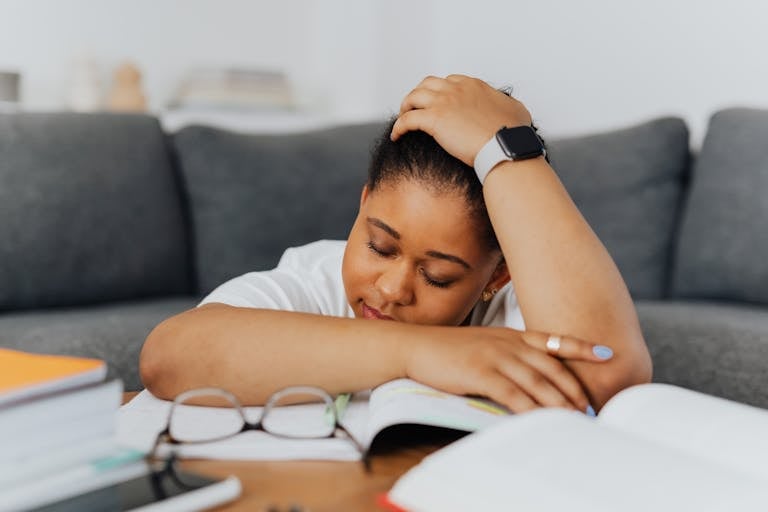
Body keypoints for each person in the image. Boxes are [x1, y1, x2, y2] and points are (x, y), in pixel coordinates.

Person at [140, 74, 652, 413]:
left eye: (438, 276)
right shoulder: (314, 280)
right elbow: (169, 357)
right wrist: (422, 352)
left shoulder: (525, 308)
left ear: (496, 276)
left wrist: (509, 150)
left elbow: (607, 377)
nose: (390, 288)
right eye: (379, 246)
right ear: (362, 207)